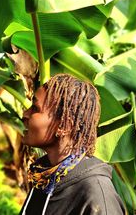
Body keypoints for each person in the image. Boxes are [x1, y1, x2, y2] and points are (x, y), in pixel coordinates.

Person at [20, 73, 125, 215]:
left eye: (35, 108)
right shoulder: (44, 179)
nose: (25, 114)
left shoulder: (97, 197)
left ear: (64, 126)